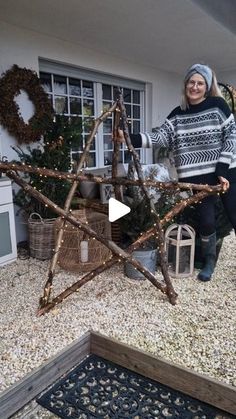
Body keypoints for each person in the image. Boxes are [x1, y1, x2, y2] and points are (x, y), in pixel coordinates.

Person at [122, 63, 236, 282]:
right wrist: (129, 137)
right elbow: (160, 137)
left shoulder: (218, 106)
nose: (195, 87)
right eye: (191, 82)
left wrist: (222, 168)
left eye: (200, 83)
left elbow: (231, 136)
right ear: (185, 85)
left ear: (207, 86)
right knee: (206, 222)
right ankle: (210, 262)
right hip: (196, 177)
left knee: (234, 214)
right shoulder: (177, 114)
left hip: (227, 172)